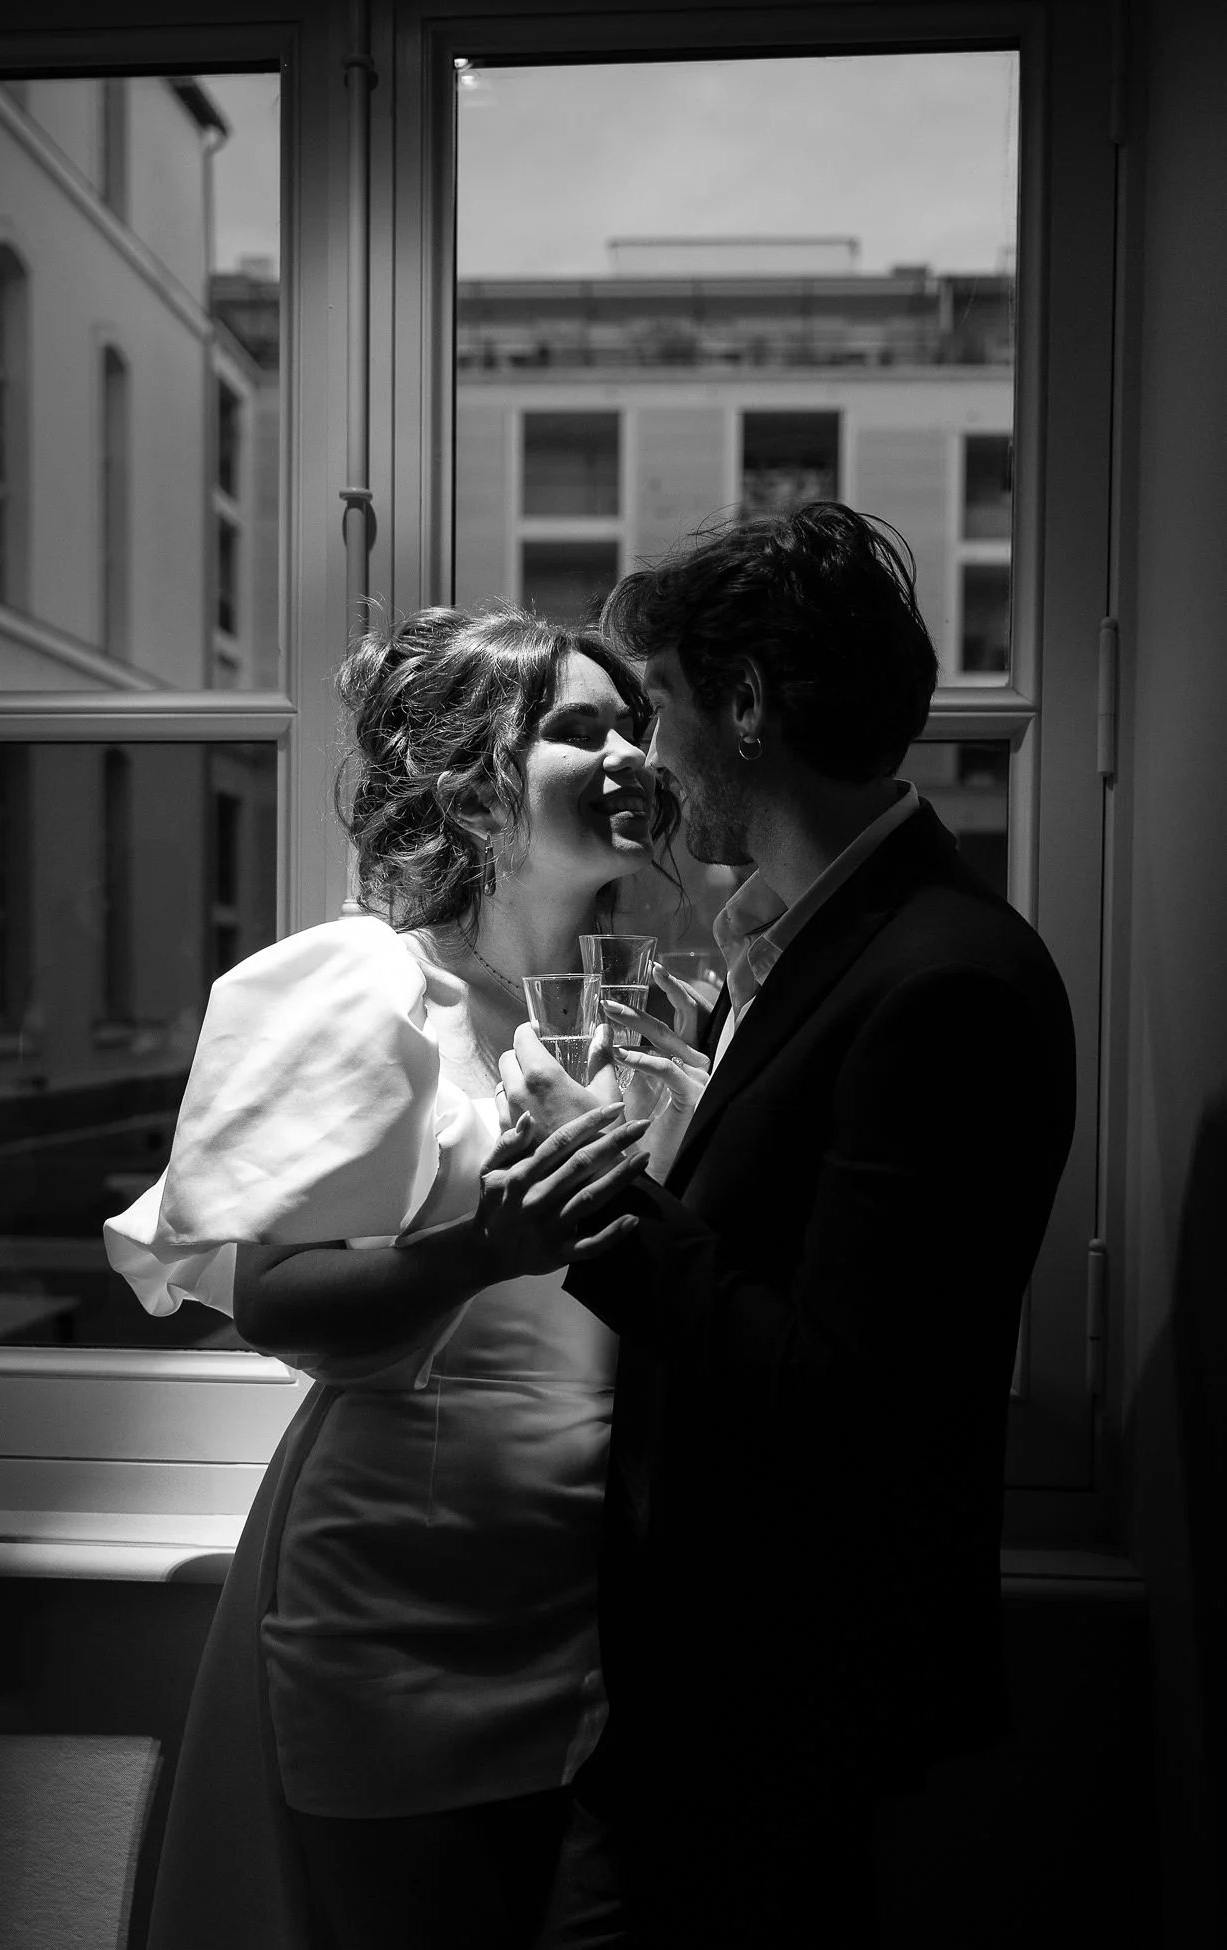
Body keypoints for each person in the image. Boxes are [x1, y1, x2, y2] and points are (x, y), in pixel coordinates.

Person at [474, 505, 1078, 1947]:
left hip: (782, 1693)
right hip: (714, 1681)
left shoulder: (944, 983)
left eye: (660, 705)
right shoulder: (799, 949)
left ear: (746, 705)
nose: (648, 757)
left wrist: (596, 1184)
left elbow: (837, 1396)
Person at [103, 604, 686, 1950]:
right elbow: (280, 1302)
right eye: (579, 729)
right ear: (477, 775)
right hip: (408, 1606)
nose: (629, 758)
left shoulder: (629, 1011)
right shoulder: (370, 987)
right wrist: (485, 1250)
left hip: (602, 1603)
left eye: (635, 729)